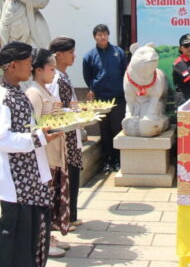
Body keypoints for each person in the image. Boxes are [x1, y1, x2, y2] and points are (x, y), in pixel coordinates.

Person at [0, 41, 59, 267]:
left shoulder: (17, 92)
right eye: (27, 63)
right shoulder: (2, 97)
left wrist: (41, 133)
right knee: (16, 238)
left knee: (30, 236)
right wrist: (36, 138)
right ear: (12, 66)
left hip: (30, 177)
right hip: (16, 180)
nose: (30, 67)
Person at [26, 48, 68, 259]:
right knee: (45, 199)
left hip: (53, 153)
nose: (54, 72)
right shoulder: (34, 93)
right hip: (44, 155)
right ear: (39, 70)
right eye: (51, 69)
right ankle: (42, 240)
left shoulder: (45, 90)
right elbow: (32, 126)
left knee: (52, 197)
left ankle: (48, 236)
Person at [48, 37, 83, 230]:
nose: (73, 56)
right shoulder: (56, 78)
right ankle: (63, 217)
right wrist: (75, 111)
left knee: (74, 175)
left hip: (72, 133)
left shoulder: (63, 76)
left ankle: (71, 215)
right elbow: (55, 109)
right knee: (66, 177)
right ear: (59, 55)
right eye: (70, 52)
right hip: (64, 136)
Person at [82, 24, 127, 171]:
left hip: (118, 98)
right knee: (105, 131)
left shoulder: (118, 52)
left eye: (105, 34)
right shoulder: (89, 56)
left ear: (108, 35)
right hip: (100, 100)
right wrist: (93, 88)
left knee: (117, 129)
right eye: (99, 35)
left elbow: (125, 72)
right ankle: (107, 161)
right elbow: (88, 77)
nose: (102, 37)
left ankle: (118, 160)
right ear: (94, 37)